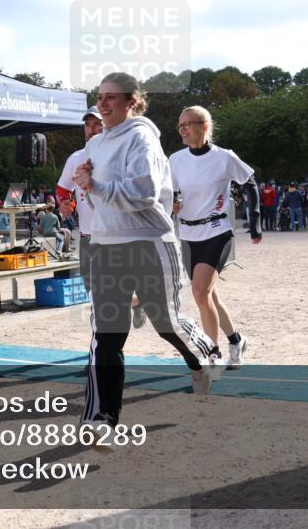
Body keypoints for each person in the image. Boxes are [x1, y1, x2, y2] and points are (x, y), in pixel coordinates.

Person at [73, 73, 220, 439]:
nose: (103, 104)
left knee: (165, 322)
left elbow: (145, 192)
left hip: (148, 243)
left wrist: (97, 186)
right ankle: (102, 418)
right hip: (106, 245)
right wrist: (85, 184)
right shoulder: (95, 145)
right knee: (106, 334)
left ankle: (202, 356)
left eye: (112, 97)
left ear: (132, 102)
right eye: (100, 97)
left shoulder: (142, 137)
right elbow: (99, 199)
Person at [170, 105, 256, 370]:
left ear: (204, 126)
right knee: (208, 295)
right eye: (180, 125)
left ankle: (212, 355)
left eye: (188, 124)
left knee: (199, 291)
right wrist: (172, 202)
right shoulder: (175, 159)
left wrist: (256, 224)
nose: (182, 130)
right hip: (188, 233)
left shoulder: (224, 157)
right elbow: (169, 192)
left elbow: (250, 183)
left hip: (217, 230)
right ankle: (236, 340)